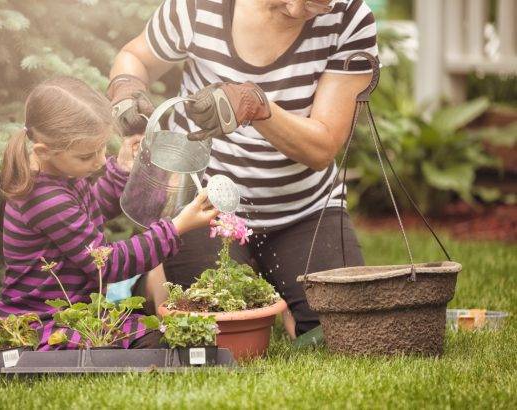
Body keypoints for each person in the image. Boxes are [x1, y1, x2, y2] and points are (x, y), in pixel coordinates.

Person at [108, 0, 377, 338]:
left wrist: (257, 106)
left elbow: (322, 149)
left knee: (345, 330)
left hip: (304, 209)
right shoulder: (198, 6)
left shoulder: (349, 17)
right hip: (205, 208)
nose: (295, 10)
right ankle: (153, 275)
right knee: (216, 327)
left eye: (314, 3)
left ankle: (284, 297)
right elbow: (135, 57)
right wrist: (126, 89)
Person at [0, 76, 218, 350]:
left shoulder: (60, 176)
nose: (100, 161)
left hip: (75, 314)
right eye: (87, 156)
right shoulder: (45, 198)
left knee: (149, 334)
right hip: (43, 323)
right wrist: (175, 228)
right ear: (44, 151)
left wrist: (121, 170)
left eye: (101, 149)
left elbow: (90, 210)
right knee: (153, 342)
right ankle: (33, 353)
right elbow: (107, 264)